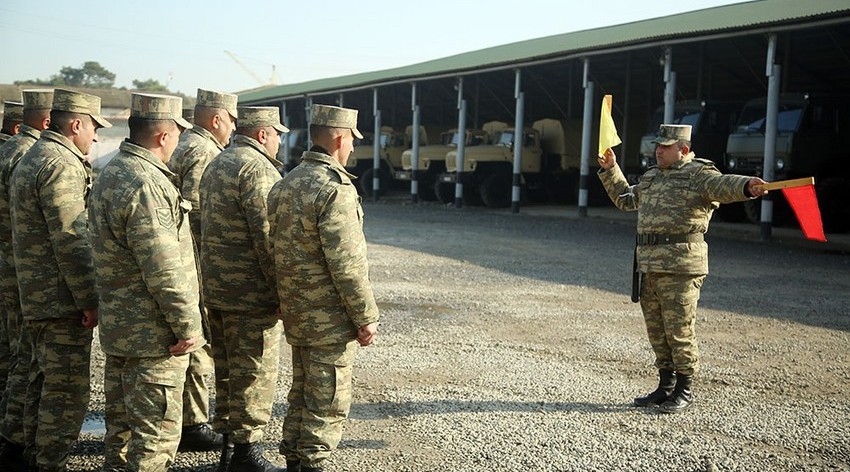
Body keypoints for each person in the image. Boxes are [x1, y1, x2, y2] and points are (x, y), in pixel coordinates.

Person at [597, 123, 767, 414]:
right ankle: (665, 386)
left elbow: (723, 185)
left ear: (683, 149)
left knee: (679, 331)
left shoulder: (699, 174)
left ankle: (684, 390)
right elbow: (626, 200)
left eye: (665, 147)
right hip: (649, 265)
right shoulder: (652, 177)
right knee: (658, 331)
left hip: (681, 267)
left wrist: (746, 186)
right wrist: (612, 169)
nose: (658, 151)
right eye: (657, 146)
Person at [88, 92, 204, 471]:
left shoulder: (113, 172)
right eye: (177, 136)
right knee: (153, 442)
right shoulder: (146, 184)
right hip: (155, 337)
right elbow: (163, 267)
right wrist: (187, 326)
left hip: (122, 329)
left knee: (120, 438)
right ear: (163, 136)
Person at [268, 104, 380, 472]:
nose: (351, 150)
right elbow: (346, 264)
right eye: (350, 141)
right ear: (339, 138)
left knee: (302, 390)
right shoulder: (334, 189)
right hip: (328, 314)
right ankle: (312, 463)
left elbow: (275, 249)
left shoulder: (285, 183)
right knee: (327, 396)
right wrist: (365, 316)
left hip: (298, 310)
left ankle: (295, 460)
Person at [8, 88, 109, 471]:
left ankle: (29, 454)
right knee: (65, 388)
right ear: (77, 125)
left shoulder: (33, 155)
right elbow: (70, 237)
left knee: (40, 378)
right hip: (58, 295)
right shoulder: (60, 163)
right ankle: (48, 462)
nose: (95, 137)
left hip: (36, 290)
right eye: (93, 128)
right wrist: (89, 297)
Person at [199, 106, 287, 472]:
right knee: (254, 371)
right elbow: (266, 236)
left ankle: (227, 447)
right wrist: (282, 292)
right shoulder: (257, 168)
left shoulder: (217, 163)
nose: (280, 140)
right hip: (251, 295)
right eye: (277, 133)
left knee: (227, 369)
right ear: (263, 134)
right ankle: (246, 453)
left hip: (217, 289)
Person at [168, 88, 238, 454]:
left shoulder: (186, 144)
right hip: (194, 263)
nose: (232, 129)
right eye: (231, 121)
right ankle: (192, 422)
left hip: (187, 260)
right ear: (217, 119)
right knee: (197, 342)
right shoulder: (203, 151)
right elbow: (199, 216)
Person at [0, 89, 53, 470]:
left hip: (14, 265)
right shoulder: (28, 155)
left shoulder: (14, 151)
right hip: (29, 271)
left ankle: (13, 437)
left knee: (20, 354)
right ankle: (17, 440)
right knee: (29, 359)